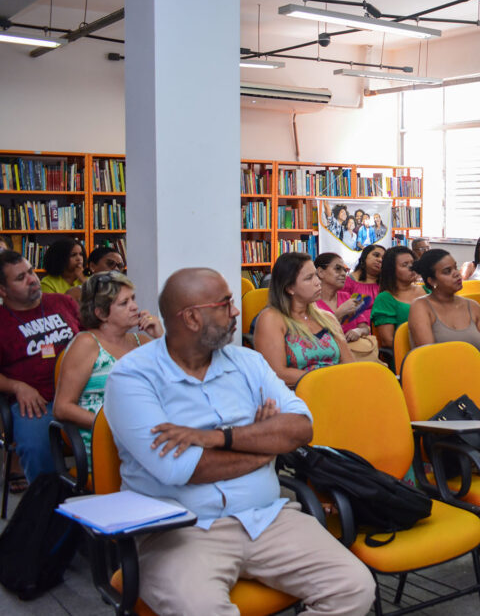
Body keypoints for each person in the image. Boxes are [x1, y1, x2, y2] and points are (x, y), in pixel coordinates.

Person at [103, 268, 375, 614]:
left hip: (267, 517)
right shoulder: (132, 376)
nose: (236, 312)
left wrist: (219, 439)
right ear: (191, 318)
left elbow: (301, 428)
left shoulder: (248, 362)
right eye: (225, 304)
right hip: (181, 531)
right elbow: (183, 469)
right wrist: (266, 449)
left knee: (354, 587)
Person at [409, 249, 480, 538]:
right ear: (431, 280)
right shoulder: (422, 307)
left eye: (455, 268)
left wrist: (478, 381)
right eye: (447, 271)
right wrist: (467, 385)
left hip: (476, 386)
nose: (457, 274)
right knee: (468, 428)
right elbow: (431, 360)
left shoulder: (473, 307)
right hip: (440, 391)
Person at [53, 272, 162, 459]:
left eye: (133, 299)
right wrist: (113, 425)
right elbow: (62, 408)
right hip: (104, 440)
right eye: (124, 303)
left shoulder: (142, 342)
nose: (135, 307)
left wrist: (161, 338)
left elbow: (180, 378)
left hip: (143, 434)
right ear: (101, 313)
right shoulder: (87, 344)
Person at [0, 250, 80, 483]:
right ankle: (47, 507)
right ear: (3, 290)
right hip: (39, 403)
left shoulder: (63, 302)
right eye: (20, 278)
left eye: (31, 272)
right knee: (36, 448)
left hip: (83, 393)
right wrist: (16, 386)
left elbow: (93, 339)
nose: (32, 279)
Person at [254, 253, 355, 387]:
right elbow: (277, 373)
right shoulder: (271, 319)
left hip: (336, 389)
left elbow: (350, 364)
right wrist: (326, 379)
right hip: (297, 396)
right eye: (309, 278)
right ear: (289, 288)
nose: (318, 282)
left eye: (316, 276)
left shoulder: (327, 318)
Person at [370, 246, 423, 350]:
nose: (411, 267)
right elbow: (388, 341)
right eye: (405, 265)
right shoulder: (385, 298)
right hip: (407, 355)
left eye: (413, 263)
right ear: (392, 270)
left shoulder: (427, 289)